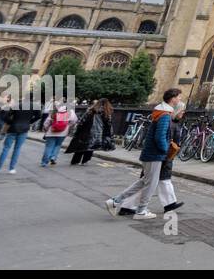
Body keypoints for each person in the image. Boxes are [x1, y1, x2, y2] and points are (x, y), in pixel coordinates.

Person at [106, 89, 181, 220]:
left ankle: (115, 201)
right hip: (154, 154)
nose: (180, 99)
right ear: (172, 98)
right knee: (150, 184)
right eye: (178, 97)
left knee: (144, 182)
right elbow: (160, 137)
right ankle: (140, 211)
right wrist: (165, 150)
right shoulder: (164, 115)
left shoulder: (162, 112)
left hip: (152, 153)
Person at [119, 104, 187, 215]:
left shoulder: (172, 122)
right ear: (176, 110)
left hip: (161, 157)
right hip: (160, 157)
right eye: (182, 110)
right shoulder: (168, 122)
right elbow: (162, 140)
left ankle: (169, 204)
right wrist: (165, 153)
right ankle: (124, 204)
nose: (183, 113)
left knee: (158, 182)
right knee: (149, 183)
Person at [0, 96, 40, 175]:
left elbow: (5, 116)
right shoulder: (35, 107)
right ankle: (12, 168)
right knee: (17, 149)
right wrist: (29, 122)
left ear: (24, 98)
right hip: (24, 128)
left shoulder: (17, 105)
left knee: (6, 149)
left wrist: (11, 122)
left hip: (13, 128)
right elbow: (38, 116)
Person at [66, 99, 113, 165]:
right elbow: (109, 125)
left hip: (86, 131)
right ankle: (85, 161)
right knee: (91, 147)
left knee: (81, 146)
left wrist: (78, 129)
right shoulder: (107, 113)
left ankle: (75, 161)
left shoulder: (90, 110)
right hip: (98, 133)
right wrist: (109, 134)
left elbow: (82, 121)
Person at [40, 100, 75, 167]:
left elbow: (47, 122)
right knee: (58, 145)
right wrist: (68, 126)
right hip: (63, 132)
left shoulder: (55, 110)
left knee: (49, 147)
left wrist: (46, 128)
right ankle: (53, 157)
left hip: (52, 131)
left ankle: (44, 162)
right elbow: (74, 120)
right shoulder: (70, 111)